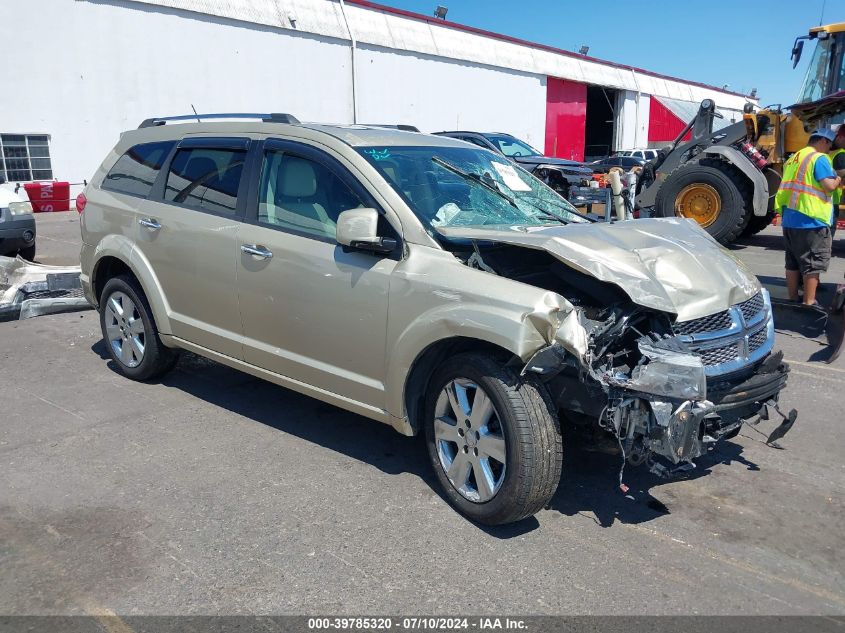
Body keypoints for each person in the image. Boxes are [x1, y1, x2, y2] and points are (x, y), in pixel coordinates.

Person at [774, 128, 841, 305]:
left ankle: (793, 299)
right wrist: (838, 180)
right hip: (811, 219)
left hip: (789, 218)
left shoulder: (793, 158)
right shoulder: (819, 158)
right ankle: (809, 303)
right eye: (829, 145)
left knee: (793, 262)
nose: (829, 150)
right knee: (812, 264)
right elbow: (829, 186)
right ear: (823, 142)